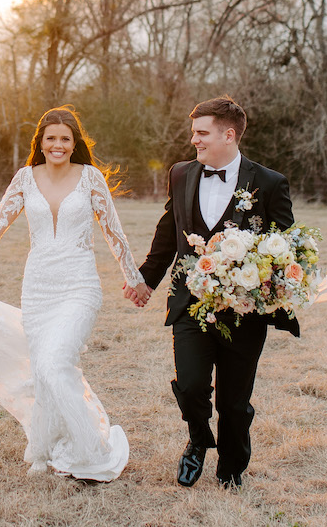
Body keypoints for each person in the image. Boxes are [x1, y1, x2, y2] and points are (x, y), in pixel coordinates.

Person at [0, 105, 152, 482]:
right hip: (37, 289)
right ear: (41, 142)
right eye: (51, 138)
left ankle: (91, 450)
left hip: (79, 286)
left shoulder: (91, 178)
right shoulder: (25, 179)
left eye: (65, 139)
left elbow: (114, 233)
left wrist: (135, 279)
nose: (58, 145)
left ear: (74, 143)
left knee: (54, 361)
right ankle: (44, 447)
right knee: (44, 369)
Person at [125, 95, 299, 490]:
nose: (194, 141)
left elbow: (288, 248)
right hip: (190, 302)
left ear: (229, 134)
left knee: (233, 404)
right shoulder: (182, 173)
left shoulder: (269, 183)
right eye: (193, 133)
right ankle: (198, 442)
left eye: (201, 133)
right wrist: (145, 280)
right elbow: (168, 232)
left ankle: (232, 466)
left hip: (245, 311)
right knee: (189, 385)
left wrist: (268, 283)